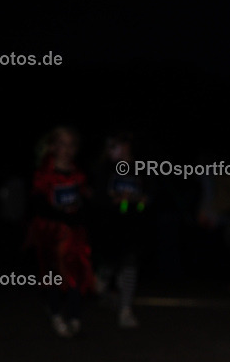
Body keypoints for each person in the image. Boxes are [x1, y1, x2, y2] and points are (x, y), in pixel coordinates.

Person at [25, 127, 94, 337]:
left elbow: (84, 203)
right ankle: (55, 313)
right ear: (53, 147)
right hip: (52, 234)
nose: (67, 149)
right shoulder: (43, 174)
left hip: (74, 233)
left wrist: (83, 205)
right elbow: (38, 204)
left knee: (77, 271)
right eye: (62, 144)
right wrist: (60, 213)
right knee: (54, 274)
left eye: (71, 144)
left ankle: (74, 316)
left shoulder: (79, 175)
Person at [92, 131, 149, 328]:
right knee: (107, 269)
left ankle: (125, 310)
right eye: (112, 146)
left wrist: (141, 199)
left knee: (130, 263)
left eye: (121, 144)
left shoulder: (141, 167)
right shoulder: (105, 168)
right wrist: (113, 199)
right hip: (109, 225)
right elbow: (97, 197)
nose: (118, 149)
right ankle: (106, 288)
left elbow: (151, 193)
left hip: (133, 224)